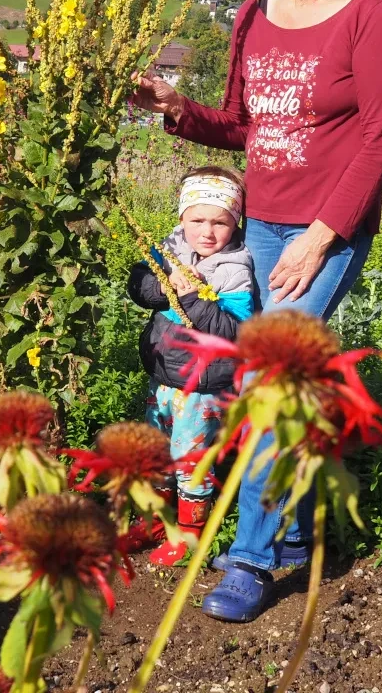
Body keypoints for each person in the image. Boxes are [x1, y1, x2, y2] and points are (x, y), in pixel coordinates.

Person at [132, 0, 382, 621]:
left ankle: (250, 558)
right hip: (260, 223)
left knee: (266, 380)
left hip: (329, 228)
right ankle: (288, 536)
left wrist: (320, 239)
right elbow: (239, 124)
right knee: (252, 376)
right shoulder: (253, 15)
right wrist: (174, 109)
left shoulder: (370, 15)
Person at [127, 166, 254, 567]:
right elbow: (139, 283)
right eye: (197, 219)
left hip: (203, 387)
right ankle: (153, 522)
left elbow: (234, 330)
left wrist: (194, 298)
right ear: (182, 218)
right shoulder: (171, 247)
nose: (207, 232)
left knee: (190, 460)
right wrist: (164, 287)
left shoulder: (235, 269)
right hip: (164, 376)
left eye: (220, 222)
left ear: (237, 222)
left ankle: (188, 535)